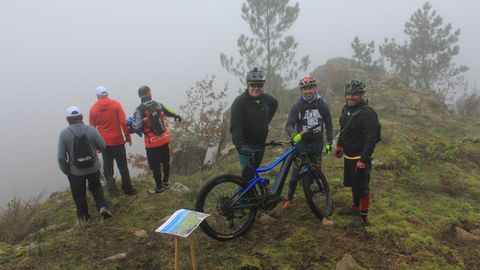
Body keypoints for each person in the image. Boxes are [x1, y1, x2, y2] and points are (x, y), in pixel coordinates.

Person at [335, 80, 381, 227]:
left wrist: (364, 158)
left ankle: (364, 217)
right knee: (353, 184)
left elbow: (371, 138)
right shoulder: (346, 109)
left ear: (361, 95)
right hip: (348, 155)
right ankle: (355, 207)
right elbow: (343, 129)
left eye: (354, 95)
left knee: (361, 187)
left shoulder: (368, 113)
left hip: (360, 157)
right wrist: (339, 146)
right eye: (348, 94)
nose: (350, 97)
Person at [284, 76, 334, 209]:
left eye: (310, 88)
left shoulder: (322, 104)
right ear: (302, 90)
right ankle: (289, 198)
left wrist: (329, 143)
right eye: (305, 89)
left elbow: (329, 125)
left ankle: (310, 192)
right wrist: (295, 136)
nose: (308, 91)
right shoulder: (298, 106)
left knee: (316, 170)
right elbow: (289, 125)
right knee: (295, 173)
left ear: (315, 88)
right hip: (302, 144)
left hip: (318, 144)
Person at [57, 106, 112, 224]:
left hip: (75, 171)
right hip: (93, 168)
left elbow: (61, 157)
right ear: (81, 117)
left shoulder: (64, 134)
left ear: (68, 119)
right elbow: (102, 146)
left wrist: (67, 170)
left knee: (79, 194)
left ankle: (84, 217)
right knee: (96, 187)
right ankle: (102, 207)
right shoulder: (91, 130)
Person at [130, 85, 182, 194]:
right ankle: (166, 182)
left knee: (155, 166)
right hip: (164, 138)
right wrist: (177, 115)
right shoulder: (158, 104)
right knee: (166, 162)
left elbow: (137, 126)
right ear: (150, 93)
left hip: (151, 143)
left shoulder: (139, 110)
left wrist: (130, 129)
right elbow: (169, 111)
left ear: (139, 96)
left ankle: (159, 188)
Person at [230, 67, 278, 180]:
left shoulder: (267, 99)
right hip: (246, 146)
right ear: (247, 85)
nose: (256, 88)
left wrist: (266, 121)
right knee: (247, 178)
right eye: (253, 85)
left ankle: (253, 197)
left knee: (254, 172)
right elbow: (235, 126)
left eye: (260, 85)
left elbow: (275, 104)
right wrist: (240, 146)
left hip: (261, 144)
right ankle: (243, 198)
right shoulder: (239, 102)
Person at [89, 86, 136, 196]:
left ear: (97, 96)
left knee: (108, 168)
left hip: (104, 143)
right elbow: (124, 123)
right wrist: (127, 137)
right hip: (118, 141)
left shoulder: (94, 109)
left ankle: (112, 191)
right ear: (107, 94)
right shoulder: (116, 104)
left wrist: (95, 146)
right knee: (123, 166)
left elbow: (92, 129)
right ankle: (128, 189)